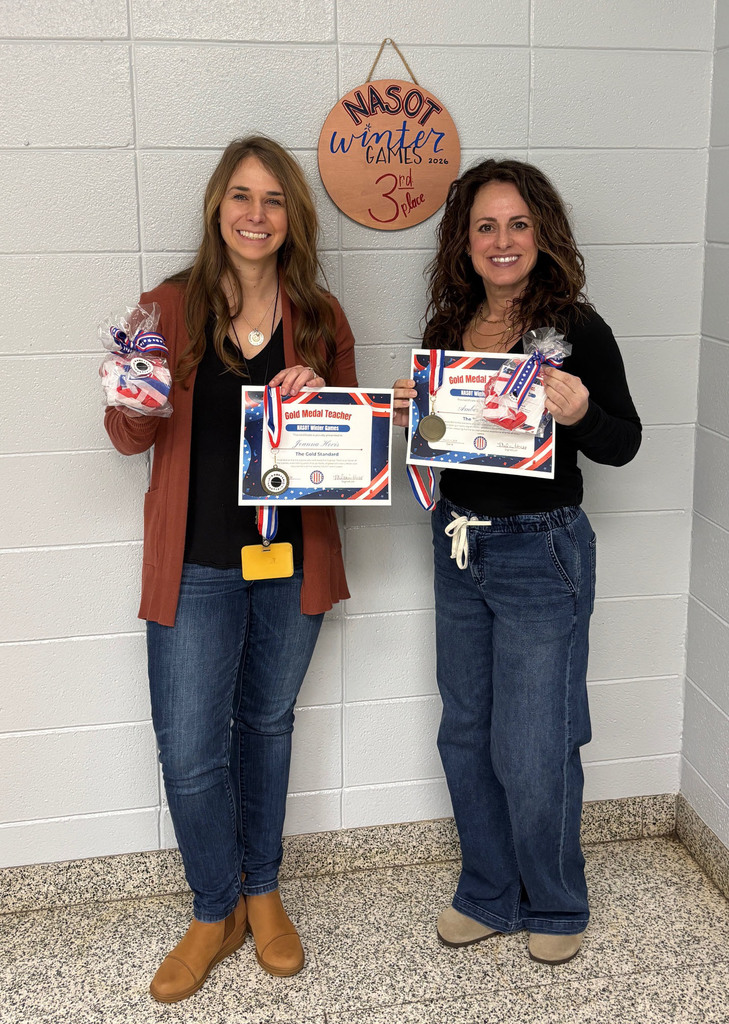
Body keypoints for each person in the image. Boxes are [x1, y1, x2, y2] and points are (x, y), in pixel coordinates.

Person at [105, 136, 357, 1002]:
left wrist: (318, 392)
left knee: (266, 727)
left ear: (293, 217)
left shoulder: (320, 315)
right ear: (218, 207)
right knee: (188, 750)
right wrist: (131, 401)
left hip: (292, 564)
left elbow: (359, 447)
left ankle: (262, 891)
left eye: (274, 199)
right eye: (242, 196)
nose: (257, 214)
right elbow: (129, 436)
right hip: (198, 565)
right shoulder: (167, 308)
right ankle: (212, 909)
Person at [394, 159, 641, 964]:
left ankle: (556, 904)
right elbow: (443, 453)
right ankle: (488, 893)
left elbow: (623, 443)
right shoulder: (446, 329)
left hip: (542, 552)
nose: (502, 242)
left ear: (542, 234)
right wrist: (410, 417)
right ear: (463, 244)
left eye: (517, 225)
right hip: (459, 542)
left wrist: (582, 411)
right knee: (464, 732)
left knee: (533, 742)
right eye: (485, 228)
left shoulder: (576, 329)